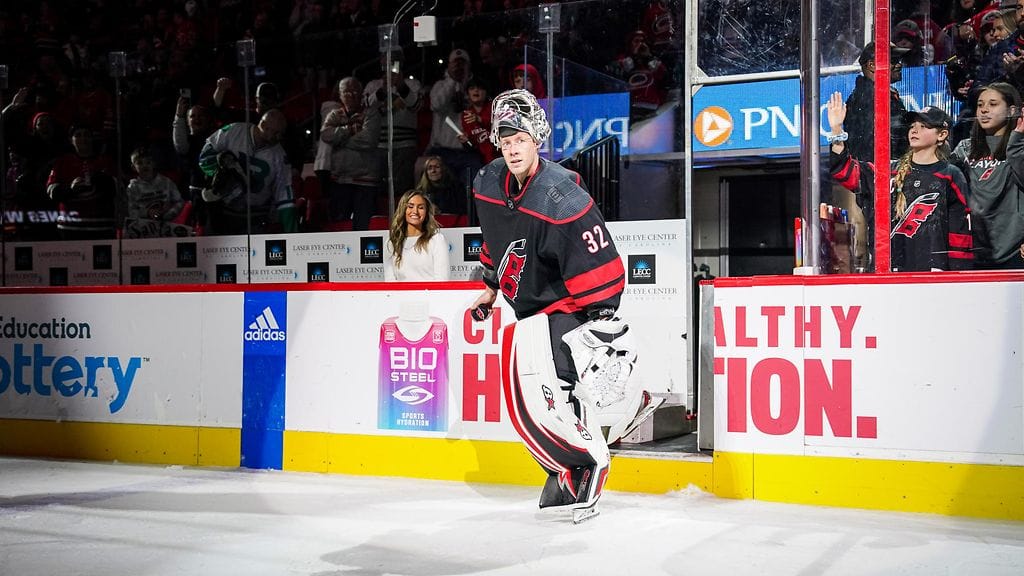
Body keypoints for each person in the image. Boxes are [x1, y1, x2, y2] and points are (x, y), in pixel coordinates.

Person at [467, 89, 658, 522]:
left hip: (564, 305)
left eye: (521, 140)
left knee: (554, 391)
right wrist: (491, 288)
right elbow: (500, 242)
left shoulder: (561, 194)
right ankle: (569, 464)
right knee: (523, 401)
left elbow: (595, 254)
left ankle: (593, 460)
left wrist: (601, 317)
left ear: (537, 139)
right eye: (506, 140)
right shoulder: (487, 183)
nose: (513, 148)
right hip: (527, 311)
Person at [827, 93, 973, 272]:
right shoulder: (886, 171)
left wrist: (959, 275)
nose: (914, 130)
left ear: (942, 135)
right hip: (889, 273)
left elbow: (960, 233)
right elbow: (844, 171)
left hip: (934, 277)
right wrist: (836, 130)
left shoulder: (951, 175)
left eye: (923, 126)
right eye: (912, 125)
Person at [951, 82, 1024, 268]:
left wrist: (1016, 141)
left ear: (1011, 110)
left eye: (993, 104)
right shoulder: (964, 149)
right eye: (980, 104)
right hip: (975, 249)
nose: (984, 110)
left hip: (1015, 251)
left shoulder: (1019, 146)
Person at [197, 109, 297, 235]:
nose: (279, 137)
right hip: (221, 212)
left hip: (256, 218)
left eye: (281, 134)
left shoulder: (279, 156)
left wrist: (292, 234)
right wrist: (219, 171)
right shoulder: (233, 131)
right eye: (276, 133)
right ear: (263, 126)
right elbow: (204, 158)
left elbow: (284, 193)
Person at [320, 76, 382, 231]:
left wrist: (340, 139)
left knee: (363, 229)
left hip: (365, 182)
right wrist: (349, 130)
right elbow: (326, 135)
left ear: (362, 93)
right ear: (340, 95)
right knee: (339, 227)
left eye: (355, 91)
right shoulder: (334, 114)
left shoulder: (371, 113)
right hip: (340, 180)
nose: (351, 95)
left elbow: (369, 140)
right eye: (346, 92)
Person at [46, 126, 118, 240]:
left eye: (86, 135)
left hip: (101, 226)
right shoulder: (62, 162)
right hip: (69, 227)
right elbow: (52, 192)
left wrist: (100, 180)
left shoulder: (105, 161)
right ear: (71, 140)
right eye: (78, 135)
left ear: (92, 138)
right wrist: (70, 189)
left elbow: (116, 190)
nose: (83, 138)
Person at [427, 48, 481, 188]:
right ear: (448, 66)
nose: (459, 67)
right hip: (443, 152)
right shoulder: (440, 86)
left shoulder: (475, 88)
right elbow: (436, 104)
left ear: (468, 66)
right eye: (455, 63)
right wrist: (452, 81)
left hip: (467, 152)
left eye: (462, 63)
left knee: (472, 188)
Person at [384, 190, 450, 282]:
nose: (415, 211)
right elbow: (390, 281)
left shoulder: (436, 240)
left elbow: (442, 280)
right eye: (410, 206)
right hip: (401, 296)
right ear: (403, 210)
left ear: (426, 212)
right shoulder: (391, 242)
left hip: (430, 295)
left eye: (421, 207)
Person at [125, 146, 185, 234]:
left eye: (148, 162)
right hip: (144, 230)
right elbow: (130, 211)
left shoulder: (166, 182)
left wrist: (169, 213)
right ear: (133, 167)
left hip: (167, 227)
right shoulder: (133, 187)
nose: (144, 166)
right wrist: (147, 213)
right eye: (140, 163)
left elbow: (179, 202)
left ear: (153, 164)